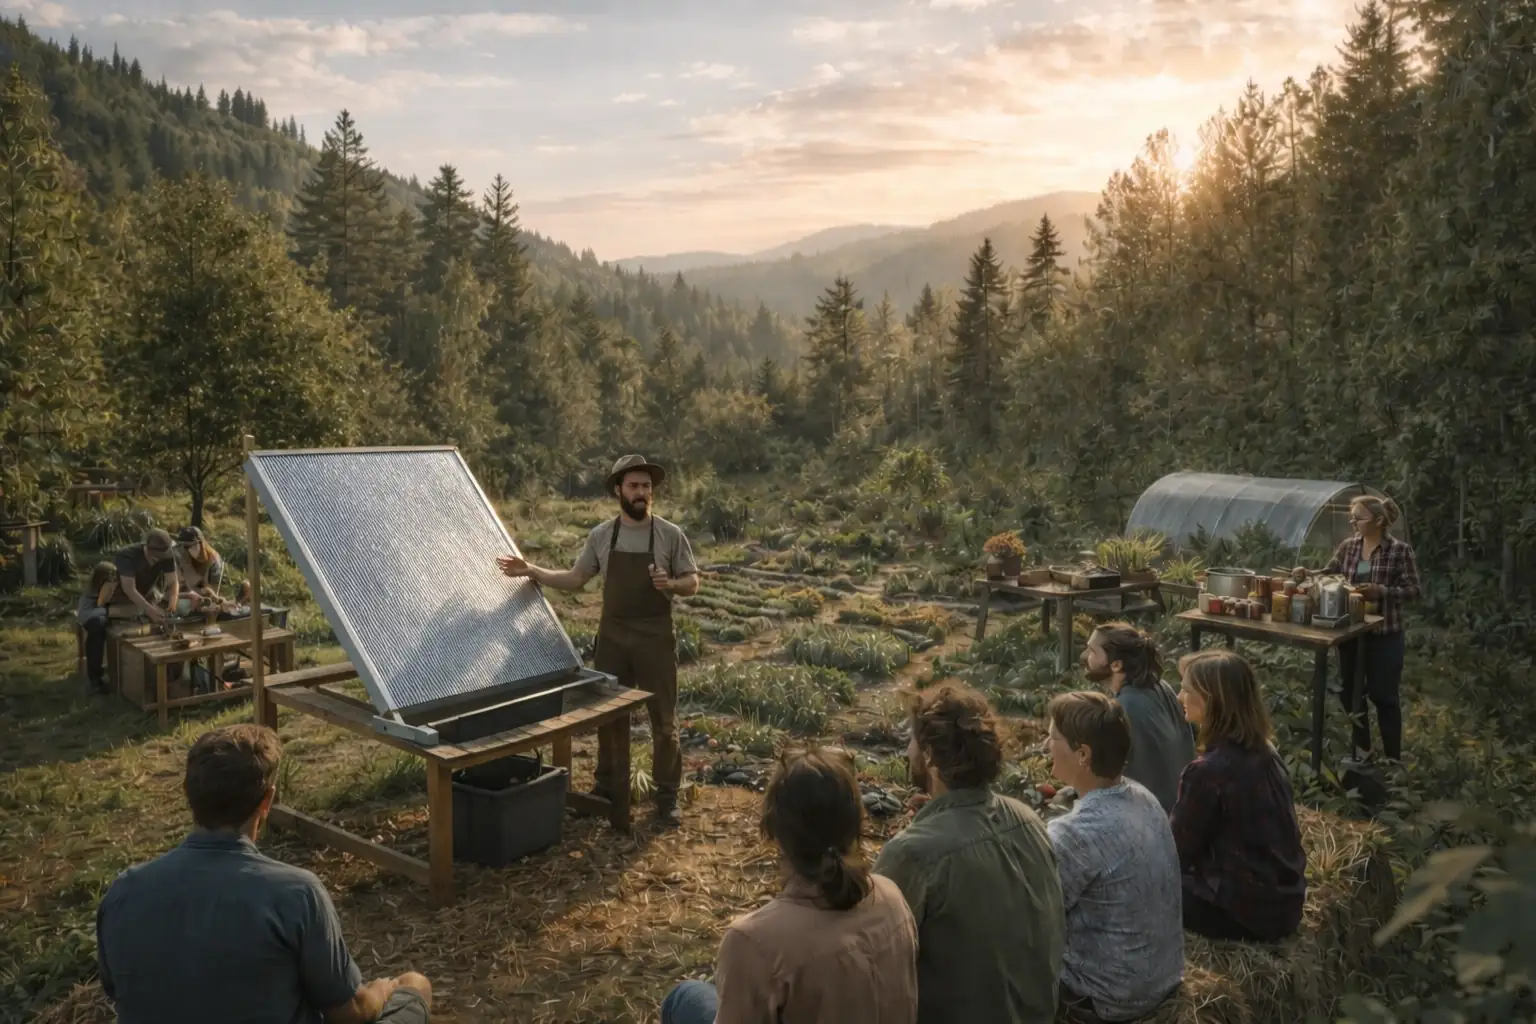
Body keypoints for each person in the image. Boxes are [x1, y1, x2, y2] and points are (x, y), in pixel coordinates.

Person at [96, 724, 434, 1023]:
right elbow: (348, 1012)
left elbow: (115, 990)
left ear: (187, 791)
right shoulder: (295, 893)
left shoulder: (124, 891)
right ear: (267, 801)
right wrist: (380, 990)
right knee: (414, 985)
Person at [496, 454, 699, 827]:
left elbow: (692, 582)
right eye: (634, 486)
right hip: (614, 637)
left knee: (664, 721)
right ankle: (607, 788)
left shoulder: (670, 534)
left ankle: (667, 796)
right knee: (606, 716)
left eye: (647, 486)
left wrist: (670, 584)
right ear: (618, 490)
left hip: (655, 636)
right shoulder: (602, 535)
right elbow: (576, 579)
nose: (642, 493)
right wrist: (533, 571)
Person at [659, 747, 919, 1024]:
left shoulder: (755, 942)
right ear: (856, 822)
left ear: (775, 833)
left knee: (683, 998)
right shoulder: (892, 899)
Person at [874, 683, 1064, 1024]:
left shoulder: (912, 853)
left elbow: (872, 967)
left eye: (912, 741)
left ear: (930, 756)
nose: (907, 751)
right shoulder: (1027, 818)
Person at [1044, 691, 1183, 1023]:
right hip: (1163, 978)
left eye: (1052, 737)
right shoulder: (1143, 797)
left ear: (1082, 754)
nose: (1046, 744)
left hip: (1106, 999)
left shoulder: (1074, 832)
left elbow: (1035, 919)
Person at [1172, 650, 1306, 942]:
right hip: (1287, 904)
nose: (1180, 697)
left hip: (1243, 914)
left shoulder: (1206, 772)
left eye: (1186, 690)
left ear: (1210, 701)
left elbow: (1175, 855)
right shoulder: (1266, 751)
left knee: (1140, 885)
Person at [1295, 495, 1419, 765]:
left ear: (1378, 520)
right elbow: (1330, 572)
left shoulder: (1399, 551)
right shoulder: (1349, 547)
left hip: (1385, 633)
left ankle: (1393, 760)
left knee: (1383, 695)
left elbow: (1413, 590)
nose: (1353, 522)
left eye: (1359, 517)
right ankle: (1364, 751)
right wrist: (1308, 573)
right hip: (1350, 632)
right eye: (1351, 517)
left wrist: (1382, 591)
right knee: (1350, 692)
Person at [1080, 622, 1194, 812]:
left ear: (1116, 665)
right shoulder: (1161, 687)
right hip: (1180, 805)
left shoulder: (1123, 708)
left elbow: (1102, 775)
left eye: (1092, 651)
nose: (1085, 656)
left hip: (1148, 815)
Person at [111, 528, 179, 624]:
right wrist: (148, 610)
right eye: (154, 557)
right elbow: (129, 589)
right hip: (121, 598)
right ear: (146, 547)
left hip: (146, 596)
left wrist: (173, 601)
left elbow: (173, 581)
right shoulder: (126, 556)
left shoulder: (167, 555)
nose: (158, 559)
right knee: (137, 612)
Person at [77, 561, 120, 694]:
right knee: (96, 630)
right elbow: (87, 614)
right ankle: (95, 679)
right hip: (92, 617)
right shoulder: (90, 595)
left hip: (109, 613)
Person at [174, 526, 228, 613]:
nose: (187, 549)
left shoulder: (214, 561)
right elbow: (173, 588)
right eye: (185, 546)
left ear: (201, 543)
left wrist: (211, 596)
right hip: (182, 597)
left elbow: (212, 589)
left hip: (204, 599)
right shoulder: (179, 556)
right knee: (183, 606)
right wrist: (189, 595)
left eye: (191, 545)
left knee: (217, 607)